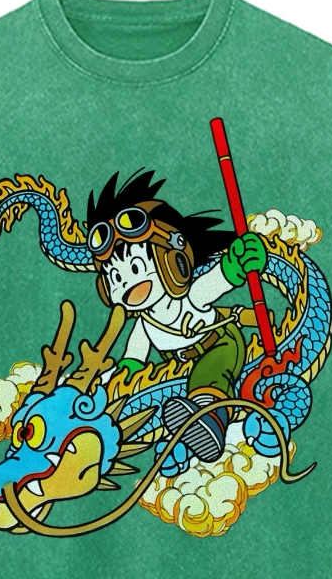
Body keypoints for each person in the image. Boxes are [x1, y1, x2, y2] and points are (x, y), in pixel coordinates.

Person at [87, 169, 267, 469]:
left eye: (135, 268)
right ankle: (189, 423)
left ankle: (211, 419)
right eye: (115, 277)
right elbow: (135, 354)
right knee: (183, 384)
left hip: (218, 344)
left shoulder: (191, 296)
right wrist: (127, 372)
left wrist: (237, 264)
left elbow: (219, 279)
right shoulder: (144, 324)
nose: (127, 282)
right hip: (179, 364)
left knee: (210, 375)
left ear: (174, 262)